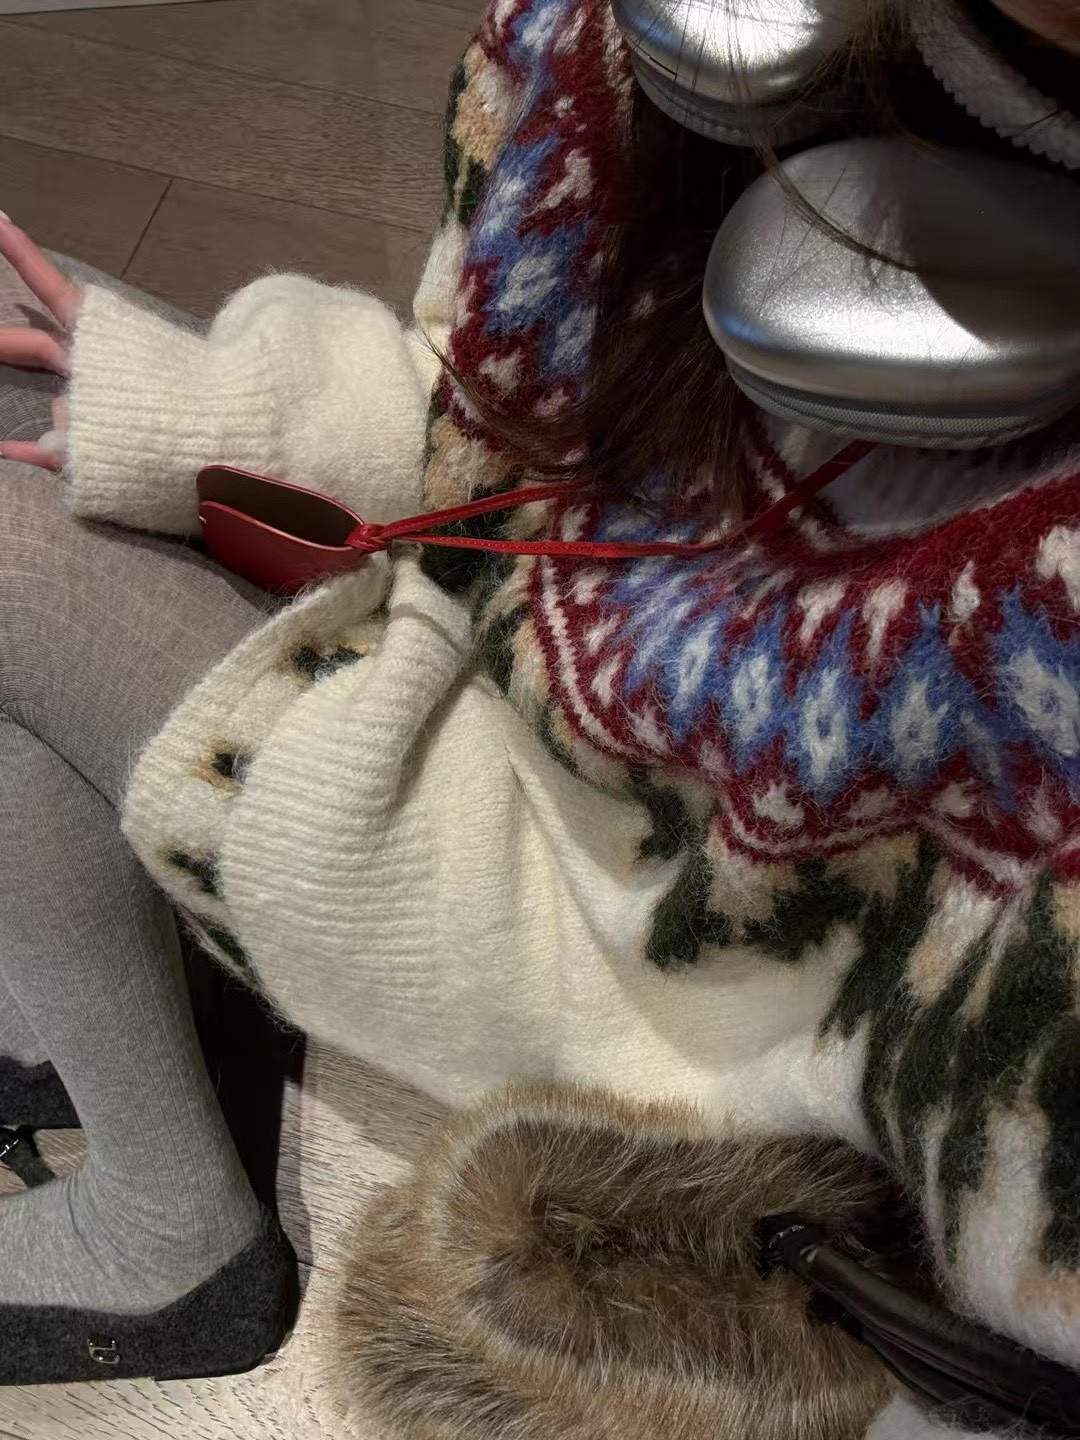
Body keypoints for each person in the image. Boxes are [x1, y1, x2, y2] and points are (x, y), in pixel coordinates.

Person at [0, 0, 1076, 1420]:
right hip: (501, 664)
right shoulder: (630, 40)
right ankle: (80, 1015)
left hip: (645, 961)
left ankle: (164, 1225)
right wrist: (211, 408)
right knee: (22, 348)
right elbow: (482, 408)